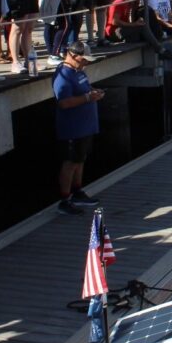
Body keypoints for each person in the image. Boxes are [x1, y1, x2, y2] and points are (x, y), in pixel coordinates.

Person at [52, 41, 104, 215]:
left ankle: (77, 192)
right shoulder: (63, 76)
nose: (86, 63)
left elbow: (85, 89)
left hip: (86, 126)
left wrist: (94, 92)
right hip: (72, 128)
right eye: (84, 59)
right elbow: (64, 102)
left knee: (80, 160)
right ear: (73, 56)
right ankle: (64, 200)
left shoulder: (79, 71)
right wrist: (88, 98)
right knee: (70, 162)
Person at [105, 0, 172, 59]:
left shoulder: (130, 2)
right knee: (142, 28)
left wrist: (136, 20)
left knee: (143, 25)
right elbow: (115, 21)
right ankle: (160, 50)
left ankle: (157, 39)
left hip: (123, 29)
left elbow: (131, 18)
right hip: (114, 32)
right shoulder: (119, 2)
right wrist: (134, 24)